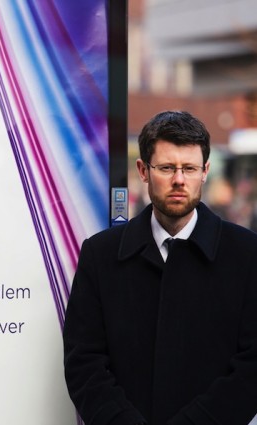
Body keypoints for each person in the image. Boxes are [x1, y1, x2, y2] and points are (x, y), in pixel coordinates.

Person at [63, 111, 257, 425]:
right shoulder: (100, 255)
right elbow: (84, 363)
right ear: (143, 170)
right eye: (167, 167)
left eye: (190, 168)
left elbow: (251, 369)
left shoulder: (247, 254)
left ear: (205, 171)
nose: (179, 180)